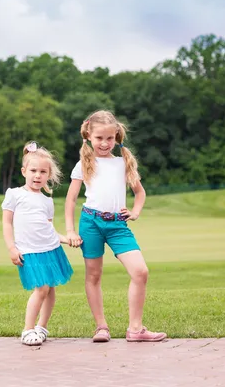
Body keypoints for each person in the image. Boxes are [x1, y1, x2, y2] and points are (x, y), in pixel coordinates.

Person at [64, 110, 167, 343]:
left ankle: (136, 329)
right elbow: (70, 200)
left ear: (117, 136)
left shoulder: (124, 163)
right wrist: (70, 230)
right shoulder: (83, 164)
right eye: (99, 138)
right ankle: (101, 327)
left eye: (110, 138)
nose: (105, 143)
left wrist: (135, 211)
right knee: (93, 275)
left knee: (140, 272)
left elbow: (140, 193)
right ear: (89, 136)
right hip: (90, 222)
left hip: (118, 225)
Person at [2, 141, 76, 346]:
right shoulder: (15, 194)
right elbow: (7, 223)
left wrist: (66, 239)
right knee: (41, 289)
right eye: (33, 170)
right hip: (29, 251)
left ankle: (41, 327)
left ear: (48, 174)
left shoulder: (47, 200)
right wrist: (11, 248)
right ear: (24, 171)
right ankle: (27, 330)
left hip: (50, 250)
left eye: (43, 171)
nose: (37, 175)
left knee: (50, 289)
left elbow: (49, 229)